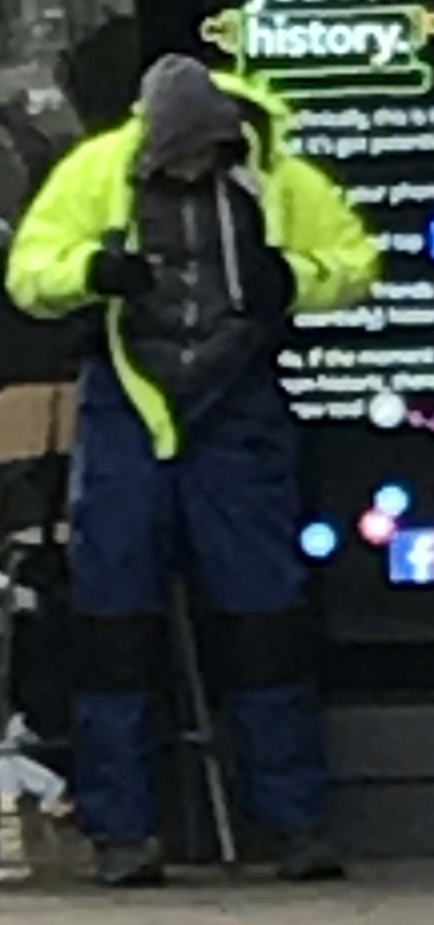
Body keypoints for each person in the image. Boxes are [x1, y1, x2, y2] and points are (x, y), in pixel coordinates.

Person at [6, 54, 378, 887]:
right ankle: (125, 831)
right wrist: (89, 274)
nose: (186, 171)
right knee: (114, 627)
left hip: (232, 409)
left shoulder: (277, 177)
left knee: (263, 620)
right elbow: (31, 273)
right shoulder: (97, 171)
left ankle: (291, 822)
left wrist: (297, 279)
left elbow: (353, 261)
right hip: (133, 407)